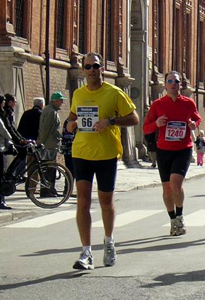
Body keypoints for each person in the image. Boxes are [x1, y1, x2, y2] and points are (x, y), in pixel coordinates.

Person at [67, 52, 139, 270]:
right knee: (83, 202)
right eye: (87, 67)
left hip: (106, 154)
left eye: (95, 66)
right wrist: (70, 125)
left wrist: (111, 121)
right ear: (82, 70)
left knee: (106, 203)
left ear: (101, 69)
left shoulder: (114, 92)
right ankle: (86, 252)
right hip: (81, 153)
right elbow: (72, 118)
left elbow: (134, 118)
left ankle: (109, 242)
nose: (91, 70)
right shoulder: (78, 94)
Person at [143, 71, 202, 236]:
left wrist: (192, 124)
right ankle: (172, 219)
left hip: (183, 149)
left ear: (180, 85)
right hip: (164, 150)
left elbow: (197, 119)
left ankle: (180, 216)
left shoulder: (188, 103)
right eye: (170, 81)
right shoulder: (158, 104)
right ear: (165, 85)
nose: (173, 84)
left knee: (176, 184)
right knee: (167, 189)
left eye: (176, 81)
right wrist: (156, 123)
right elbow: (146, 127)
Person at [37, 92, 65, 197]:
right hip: (49, 144)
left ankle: (50, 189)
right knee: (49, 168)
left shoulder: (50, 110)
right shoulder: (51, 112)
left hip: (50, 143)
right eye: (61, 100)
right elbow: (46, 129)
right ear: (56, 100)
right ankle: (46, 189)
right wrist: (42, 142)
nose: (62, 102)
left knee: (50, 168)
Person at [3, 93, 30, 179]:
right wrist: (19, 139)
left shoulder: (9, 111)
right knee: (22, 151)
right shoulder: (7, 112)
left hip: (8, 138)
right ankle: (10, 173)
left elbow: (13, 128)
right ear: (10, 102)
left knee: (22, 151)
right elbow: (9, 128)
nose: (15, 104)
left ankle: (10, 172)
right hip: (4, 139)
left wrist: (21, 138)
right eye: (14, 101)